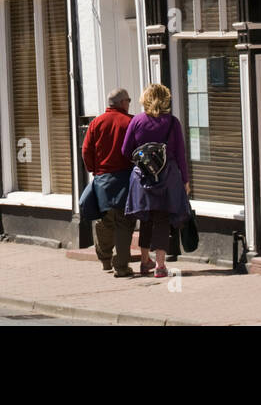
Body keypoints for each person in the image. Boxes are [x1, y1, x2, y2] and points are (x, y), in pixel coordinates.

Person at [121, 83, 191, 278]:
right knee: (161, 218)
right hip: (167, 177)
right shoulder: (172, 122)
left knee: (145, 218)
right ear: (165, 99)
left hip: (142, 177)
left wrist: (143, 162)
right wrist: (185, 180)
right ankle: (160, 265)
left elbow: (126, 150)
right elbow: (180, 154)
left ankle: (144, 262)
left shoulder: (137, 121)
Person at [81, 88, 135, 277]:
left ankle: (105, 260)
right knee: (124, 222)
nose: (129, 103)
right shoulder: (129, 122)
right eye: (128, 100)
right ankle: (121, 266)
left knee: (105, 220)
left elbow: (86, 150)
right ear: (122, 102)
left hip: (102, 180)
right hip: (124, 179)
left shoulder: (96, 123)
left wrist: (93, 170)